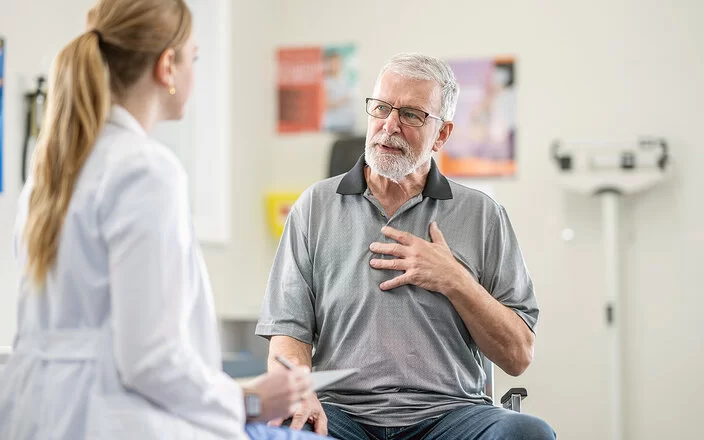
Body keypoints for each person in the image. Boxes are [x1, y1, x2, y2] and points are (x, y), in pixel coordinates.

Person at [0, 1, 332, 439]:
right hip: (113, 421)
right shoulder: (145, 170)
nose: (196, 72)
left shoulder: (51, 173)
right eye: (194, 58)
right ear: (167, 67)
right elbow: (150, 360)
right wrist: (250, 401)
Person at [256, 52, 556, 440]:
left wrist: (455, 280)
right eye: (381, 108)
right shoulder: (314, 207)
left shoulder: (483, 215)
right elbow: (288, 336)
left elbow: (518, 356)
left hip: (451, 416)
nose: (389, 125)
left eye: (412, 115)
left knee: (528, 433)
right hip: (341, 415)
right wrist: (297, 395)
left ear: (443, 134)